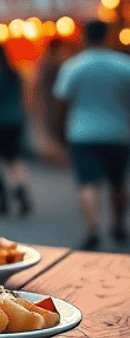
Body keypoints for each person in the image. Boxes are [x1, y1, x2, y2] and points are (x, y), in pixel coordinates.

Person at [53, 18, 130, 249]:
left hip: (82, 133)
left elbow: (61, 103)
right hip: (119, 132)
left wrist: (58, 132)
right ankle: (118, 225)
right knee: (118, 182)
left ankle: (93, 228)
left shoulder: (74, 66)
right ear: (106, 35)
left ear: (85, 36)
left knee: (88, 183)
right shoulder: (123, 64)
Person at [0, 41, 32, 216]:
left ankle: (2, 196)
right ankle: (21, 192)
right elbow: (24, 97)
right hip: (15, 120)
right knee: (13, 160)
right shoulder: (15, 72)